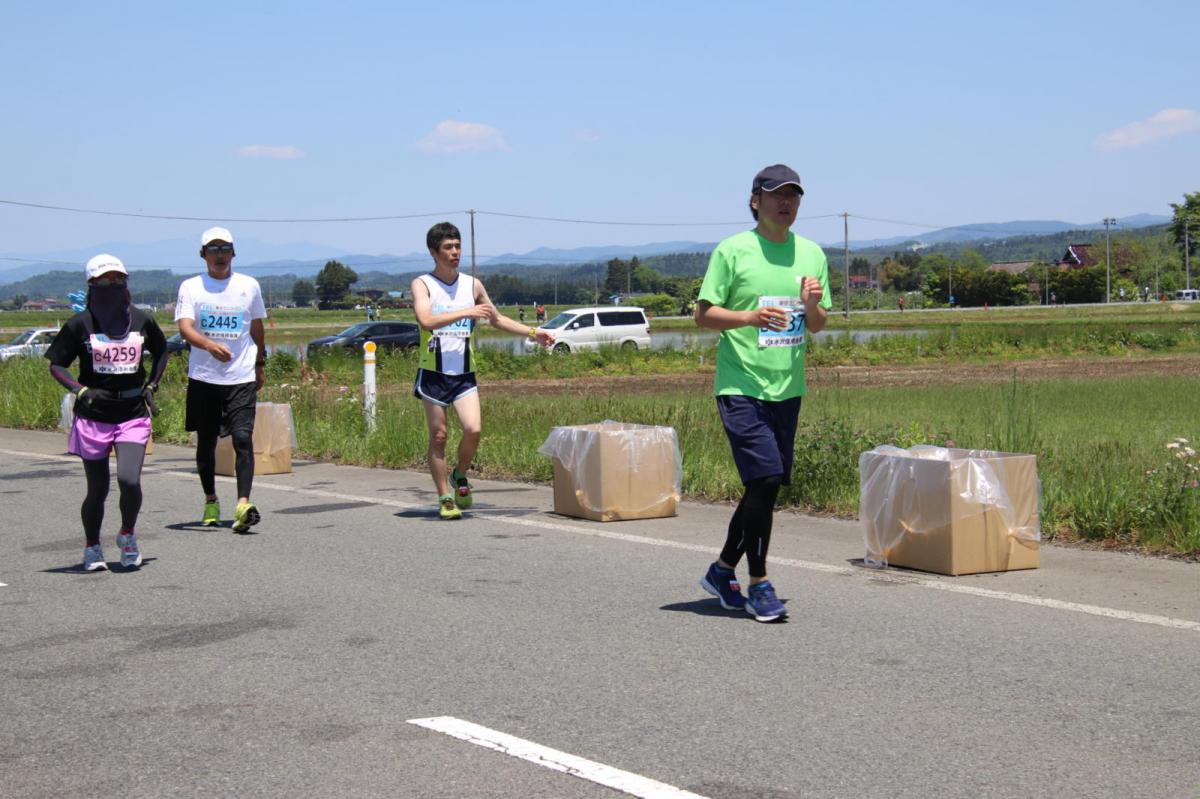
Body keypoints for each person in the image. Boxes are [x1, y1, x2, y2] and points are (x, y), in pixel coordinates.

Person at [694, 164, 832, 622]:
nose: (785, 203)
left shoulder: (811, 254)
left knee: (762, 489)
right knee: (767, 480)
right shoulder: (733, 250)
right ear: (755, 200)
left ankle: (721, 570)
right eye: (776, 195)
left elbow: (818, 323)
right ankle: (759, 584)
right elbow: (704, 314)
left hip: (787, 387)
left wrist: (812, 307)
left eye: (793, 196)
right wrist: (750, 318)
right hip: (741, 384)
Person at [411, 222, 555, 520]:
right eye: (448, 247)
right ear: (433, 252)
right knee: (439, 436)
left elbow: (496, 319)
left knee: (473, 430)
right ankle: (445, 498)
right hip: (433, 373)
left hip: (464, 374)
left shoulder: (472, 285)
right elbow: (425, 320)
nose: (455, 252)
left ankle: (459, 474)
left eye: (457, 246)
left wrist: (533, 332)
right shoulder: (423, 284)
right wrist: (467, 312)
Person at [46, 255, 168, 571]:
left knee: (129, 480)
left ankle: (127, 535)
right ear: (91, 286)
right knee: (97, 490)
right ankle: (92, 546)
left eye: (118, 280)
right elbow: (57, 364)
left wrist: (152, 385)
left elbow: (162, 350)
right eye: (104, 281)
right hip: (93, 416)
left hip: (132, 414)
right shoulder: (80, 324)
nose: (112, 285)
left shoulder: (141, 320)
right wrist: (80, 390)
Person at [175, 227, 267, 533]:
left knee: (243, 438)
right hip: (204, 377)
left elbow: (256, 328)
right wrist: (208, 345)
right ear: (203, 255)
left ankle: (243, 504)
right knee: (207, 443)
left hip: (240, 376)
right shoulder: (191, 287)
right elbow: (185, 327)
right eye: (213, 249)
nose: (219, 254)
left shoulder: (248, 286)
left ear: (233, 252)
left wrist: (260, 363)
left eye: (225, 248)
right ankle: (211, 499)